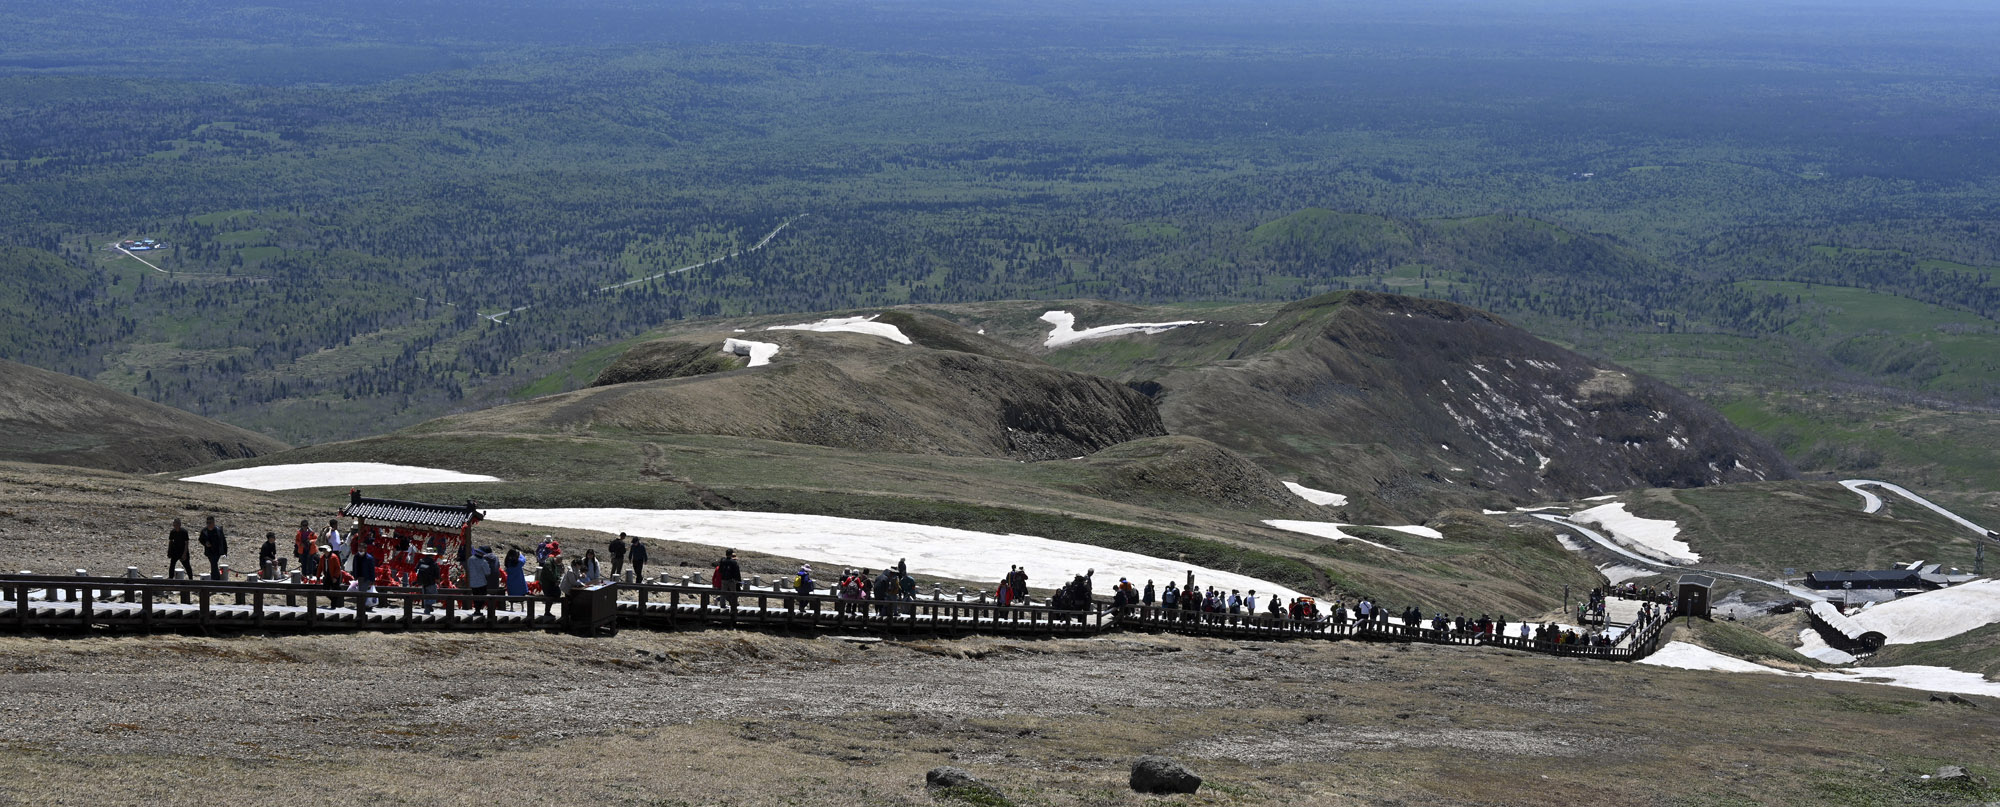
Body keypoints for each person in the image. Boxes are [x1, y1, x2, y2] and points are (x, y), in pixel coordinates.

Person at [197, 515, 228, 579]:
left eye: (210, 522)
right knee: (214, 564)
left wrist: (225, 552)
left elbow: (223, 541)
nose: (208, 524)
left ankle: (215, 579)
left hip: (217, 551)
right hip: (209, 552)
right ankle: (216, 579)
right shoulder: (204, 531)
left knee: (214, 564)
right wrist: (205, 543)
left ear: (213, 522)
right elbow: (200, 539)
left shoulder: (218, 530)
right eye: (207, 523)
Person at [351, 544, 379, 613]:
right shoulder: (356, 556)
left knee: (364, 592)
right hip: (359, 577)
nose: (360, 550)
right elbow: (354, 566)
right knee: (361, 591)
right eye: (359, 548)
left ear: (365, 549)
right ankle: (364, 606)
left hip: (367, 578)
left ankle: (363, 606)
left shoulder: (369, 558)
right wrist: (355, 576)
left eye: (362, 548)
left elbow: (372, 569)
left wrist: (372, 580)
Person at [466, 546, 493, 615]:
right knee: (482, 597)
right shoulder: (483, 562)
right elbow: (487, 572)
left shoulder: (470, 559)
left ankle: (477, 610)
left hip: (472, 581)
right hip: (481, 582)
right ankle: (478, 610)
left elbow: (468, 569)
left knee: (475, 596)